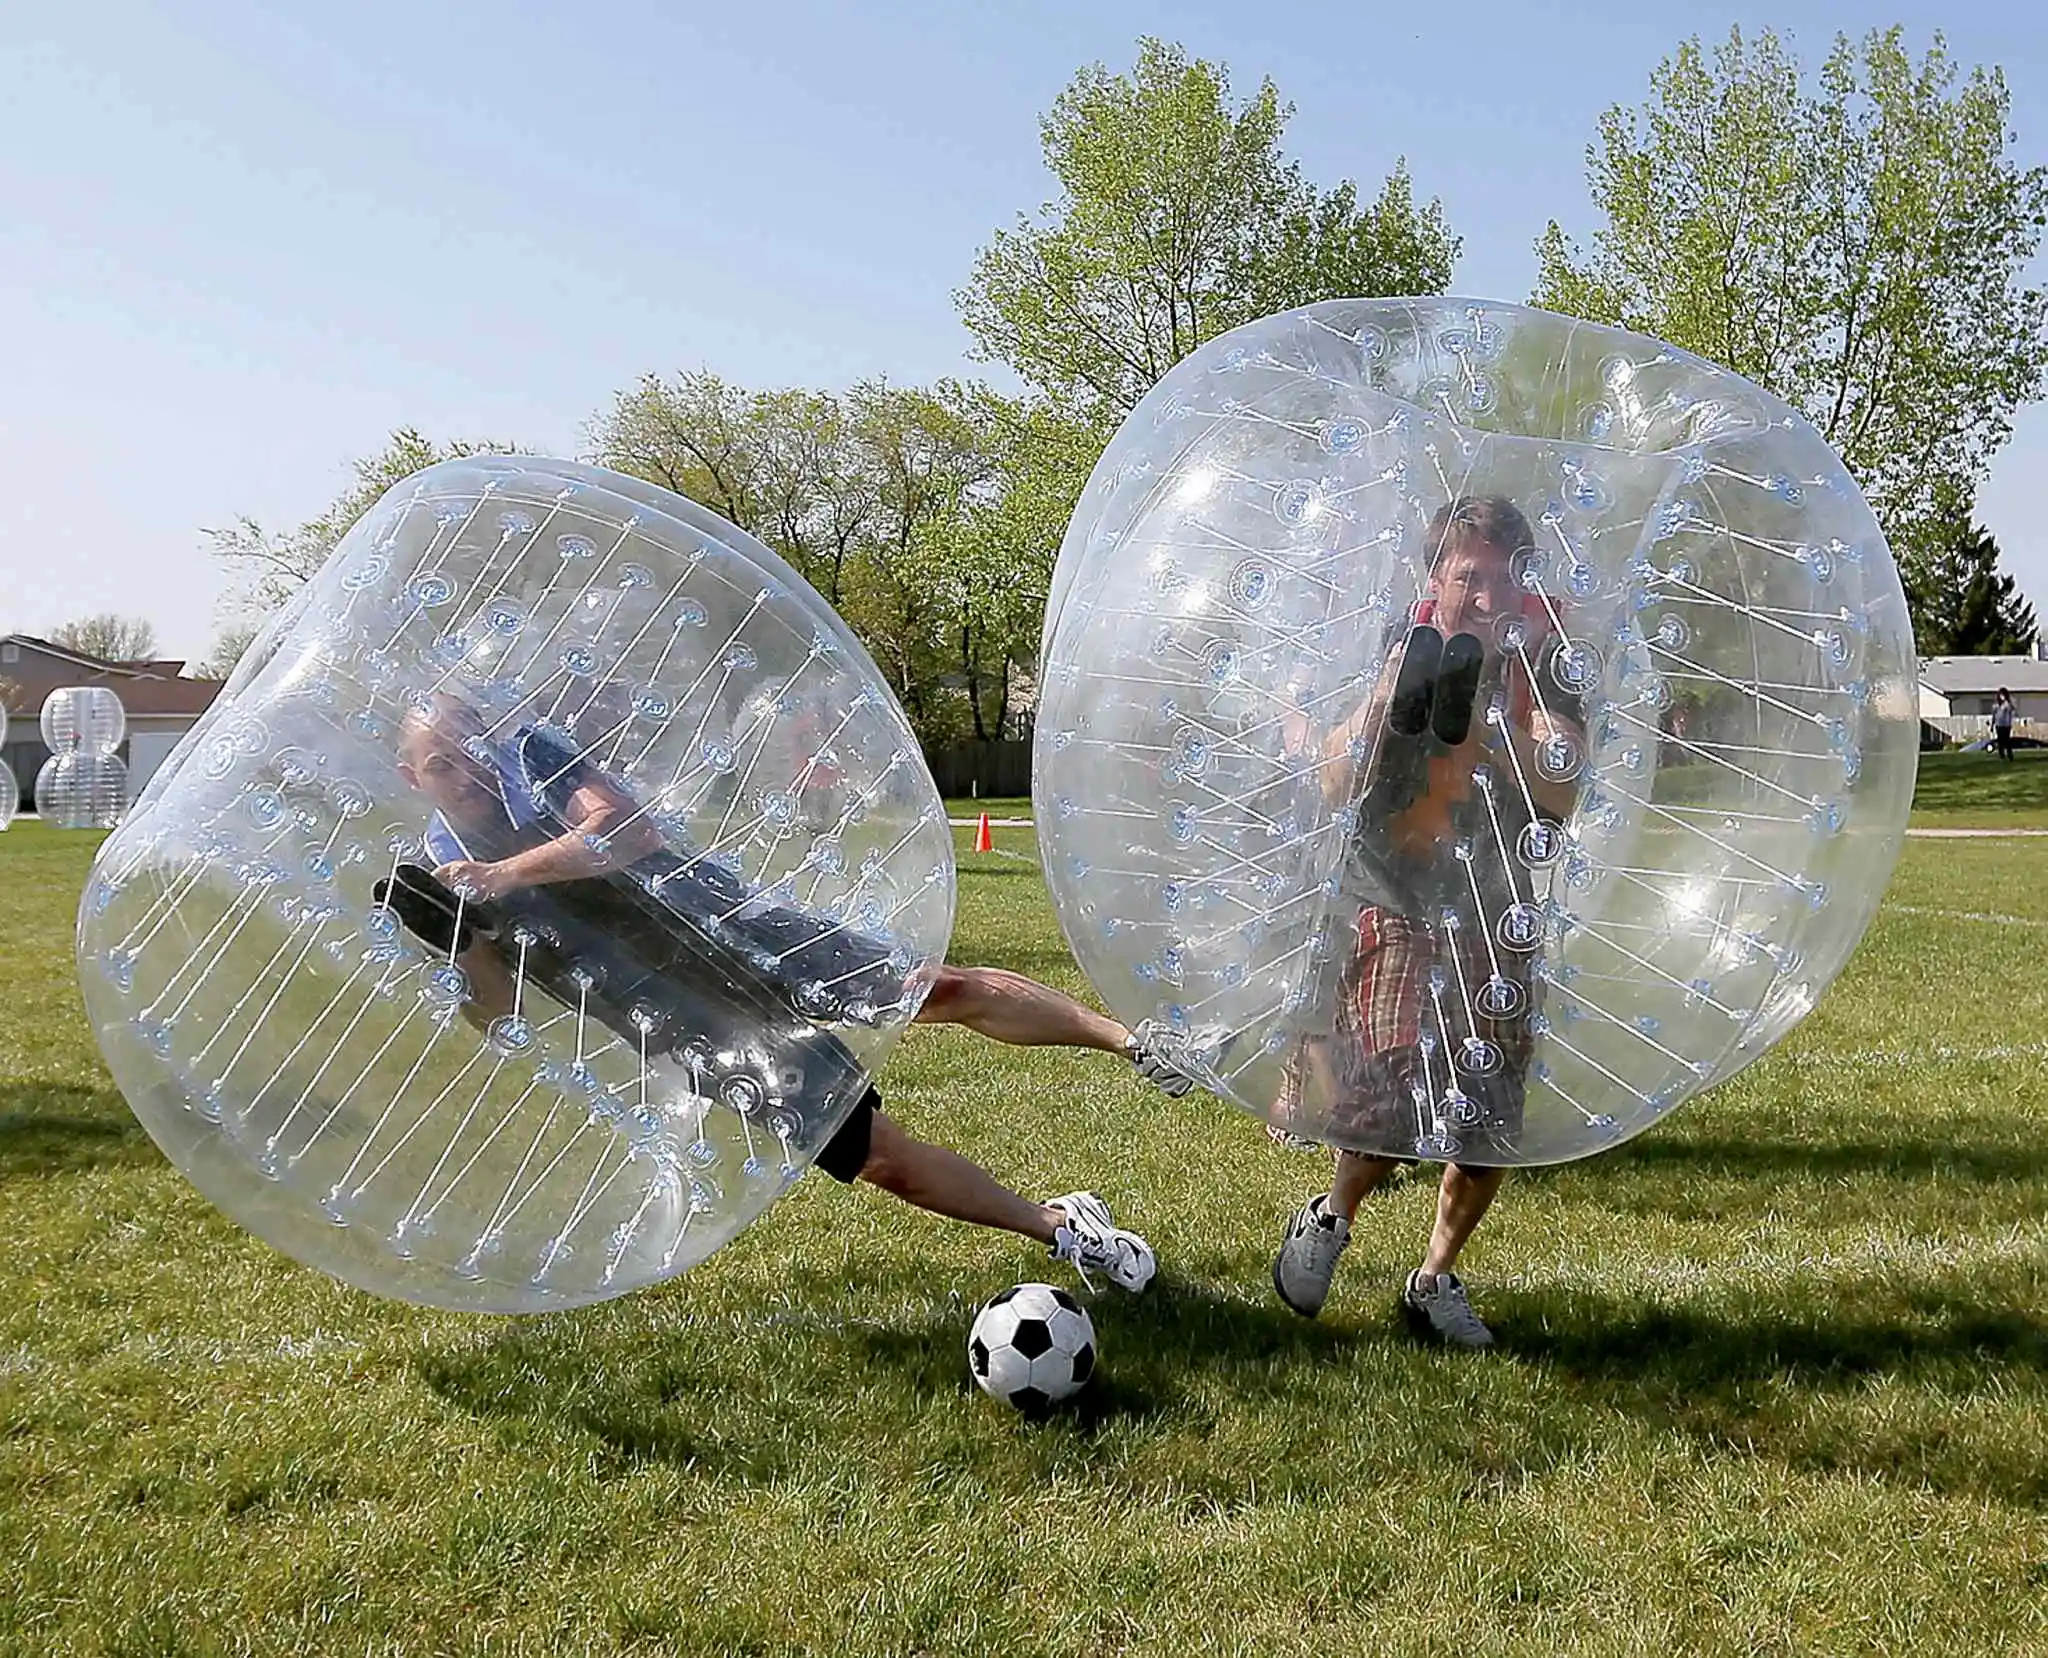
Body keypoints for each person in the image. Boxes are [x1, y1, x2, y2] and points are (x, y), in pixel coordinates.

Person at [390, 694, 1188, 1293]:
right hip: (690, 1023)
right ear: (411, 779)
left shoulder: (535, 758)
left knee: (931, 991)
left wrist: (503, 875)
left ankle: (1133, 1043)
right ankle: (1061, 1227)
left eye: (469, 749)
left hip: (740, 929)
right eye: (440, 765)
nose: (465, 772)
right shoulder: (440, 870)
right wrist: (462, 944)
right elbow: (500, 1020)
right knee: (875, 1157)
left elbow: (622, 832)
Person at [1268, 496, 1586, 1347]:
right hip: (1393, 894)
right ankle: (1331, 1218)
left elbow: (1561, 795)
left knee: (1485, 1117)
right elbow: (1336, 785)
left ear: (1523, 588)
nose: (1482, 596)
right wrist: (1389, 698)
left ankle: (1434, 1277)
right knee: (1380, 1096)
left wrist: (1500, 720)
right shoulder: (1390, 647)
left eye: (1501, 579)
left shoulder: (1546, 669)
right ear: (1434, 579)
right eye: (1466, 575)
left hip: (1492, 904)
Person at [1993, 689, 2016, 762]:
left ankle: (2010, 756)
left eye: (2003, 695)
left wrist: (2009, 702)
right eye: (2001, 695)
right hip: (1998, 725)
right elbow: (1994, 715)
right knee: (2000, 741)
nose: (2002, 697)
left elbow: (2012, 710)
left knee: (2007, 741)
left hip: (2006, 725)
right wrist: (1992, 724)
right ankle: (2002, 756)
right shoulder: (1996, 705)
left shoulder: (2007, 704)